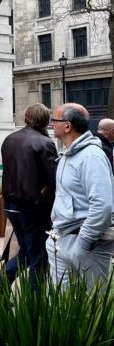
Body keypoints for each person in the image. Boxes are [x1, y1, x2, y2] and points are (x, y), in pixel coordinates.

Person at [0, 104, 57, 290]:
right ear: (46, 120)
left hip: (11, 203)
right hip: (33, 205)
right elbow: (55, 177)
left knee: (26, 252)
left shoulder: (10, 139)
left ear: (26, 118)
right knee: (39, 257)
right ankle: (35, 302)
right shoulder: (45, 143)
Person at [46, 103, 114, 287]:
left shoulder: (91, 157)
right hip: (62, 240)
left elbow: (103, 205)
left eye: (55, 120)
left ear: (67, 126)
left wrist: (83, 242)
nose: (52, 124)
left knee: (93, 306)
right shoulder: (67, 155)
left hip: (87, 244)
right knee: (61, 306)